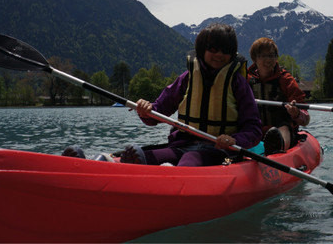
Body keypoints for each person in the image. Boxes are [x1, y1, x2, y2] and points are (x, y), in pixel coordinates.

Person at [65, 23, 262, 166]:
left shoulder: (238, 84)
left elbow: (253, 129)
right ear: (202, 50)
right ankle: (93, 165)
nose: (219, 54)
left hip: (221, 154)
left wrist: (235, 141)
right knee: (141, 156)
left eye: (226, 50)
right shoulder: (187, 78)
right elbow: (157, 112)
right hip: (181, 145)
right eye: (213, 49)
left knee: (189, 160)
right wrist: (146, 109)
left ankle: (167, 179)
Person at [248, 37, 309, 155]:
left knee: (283, 128)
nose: (268, 60)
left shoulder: (286, 79)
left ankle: (277, 151)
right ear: (255, 58)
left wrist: (296, 113)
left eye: (271, 56)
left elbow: (305, 118)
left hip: (281, 128)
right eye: (263, 56)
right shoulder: (246, 80)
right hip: (255, 129)